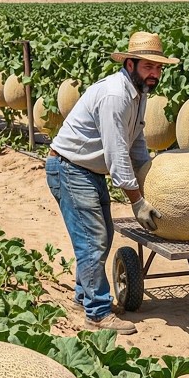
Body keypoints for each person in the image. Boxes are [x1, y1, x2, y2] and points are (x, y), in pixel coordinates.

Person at [46, 31, 178, 335]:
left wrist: (149, 178)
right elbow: (117, 154)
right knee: (92, 241)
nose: (155, 74)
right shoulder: (116, 96)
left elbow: (136, 144)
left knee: (100, 237)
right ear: (130, 64)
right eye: (148, 67)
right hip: (70, 168)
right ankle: (97, 314)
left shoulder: (139, 93)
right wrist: (137, 201)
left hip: (87, 171)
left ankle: (84, 297)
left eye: (158, 68)